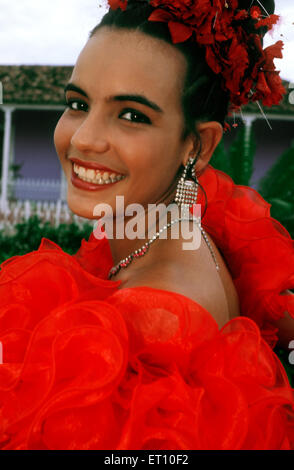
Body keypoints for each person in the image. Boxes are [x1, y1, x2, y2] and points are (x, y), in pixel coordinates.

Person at [0, 0, 294, 450]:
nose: (83, 138)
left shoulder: (145, 322)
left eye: (132, 115)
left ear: (197, 145)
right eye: (78, 103)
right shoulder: (183, 233)